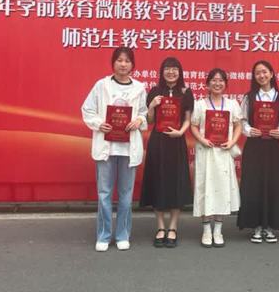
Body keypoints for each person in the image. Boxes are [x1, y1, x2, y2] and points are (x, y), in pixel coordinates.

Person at [81, 47, 147, 252]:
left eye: (127, 61)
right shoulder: (101, 85)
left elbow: (144, 112)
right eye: (119, 60)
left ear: (132, 65)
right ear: (113, 63)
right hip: (106, 148)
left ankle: (122, 235)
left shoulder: (139, 88)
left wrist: (139, 120)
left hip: (128, 148)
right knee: (104, 193)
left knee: (126, 195)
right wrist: (98, 123)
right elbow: (87, 109)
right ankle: (103, 235)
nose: (123, 64)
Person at [140, 57, 194, 248]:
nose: (171, 72)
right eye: (167, 69)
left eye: (175, 69)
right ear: (162, 72)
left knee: (175, 183)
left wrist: (181, 132)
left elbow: (188, 119)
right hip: (158, 142)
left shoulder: (186, 92)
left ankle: (173, 227)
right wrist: (152, 106)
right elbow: (150, 120)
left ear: (180, 72)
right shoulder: (155, 91)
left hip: (177, 141)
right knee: (158, 182)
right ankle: (160, 227)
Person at [237, 60, 279, 243]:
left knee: (272, 184)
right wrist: (248, 130)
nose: (262, 75)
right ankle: (256, 226)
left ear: (271, 74)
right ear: (254, 76)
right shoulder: (249, 97)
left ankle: (269, 226)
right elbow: (242, 120)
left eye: (265, 72)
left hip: (272, 147)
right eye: (258, 73)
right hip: (254, 146)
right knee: (253, 184)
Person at [190, 68, 242, 248]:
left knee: (221, 189)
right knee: (205, 188)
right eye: (214, 80)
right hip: (206, 151)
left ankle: (218, 230)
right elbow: (194, 125)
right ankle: (206, 230)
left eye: (221, 80)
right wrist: (202, 139)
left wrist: (232, 141)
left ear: (225, 84)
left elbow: (238, 125)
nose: (217, 83)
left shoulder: (232, 104)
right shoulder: (200, 104)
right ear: (207, 84)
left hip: (224, 152)